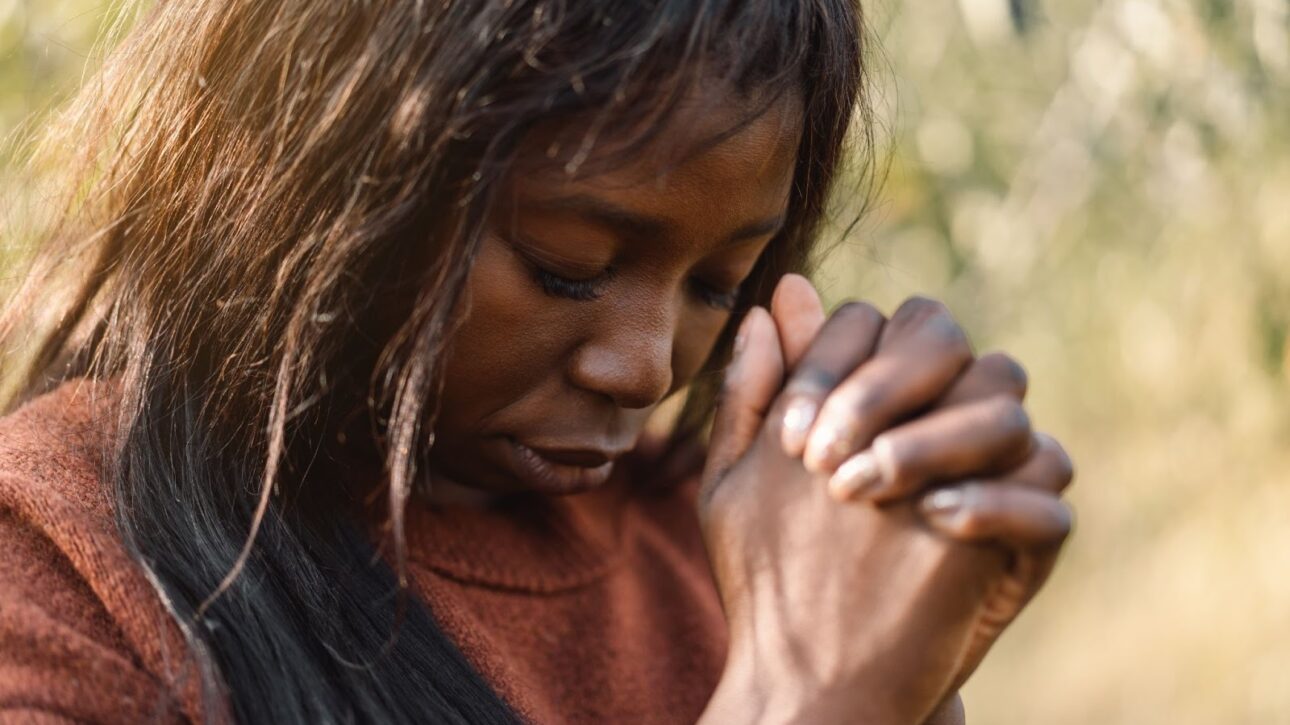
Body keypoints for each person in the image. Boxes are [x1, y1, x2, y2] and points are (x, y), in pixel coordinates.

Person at [0, 1, 1074, 723]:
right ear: (324, 167)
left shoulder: (708, 540)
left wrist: (910, 671)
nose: (647, 367)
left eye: (720, 283)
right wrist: (802, 694)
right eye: (569, 266)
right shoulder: (59, 581)